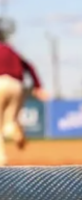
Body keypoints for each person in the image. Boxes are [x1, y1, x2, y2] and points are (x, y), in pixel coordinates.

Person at [0, 33, 48, 166]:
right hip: (17, 85)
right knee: (10, 121)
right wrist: (38, 87)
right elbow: (30, 67)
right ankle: (14, 131)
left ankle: (1, 159)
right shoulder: (12, 51)